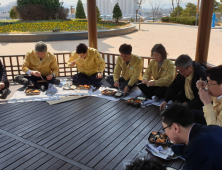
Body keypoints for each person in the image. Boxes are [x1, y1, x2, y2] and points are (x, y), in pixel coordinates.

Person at [161, 103, 222, 170]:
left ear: (175, 127)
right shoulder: (214, 128)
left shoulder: (196, 148)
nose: (165, 133)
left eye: (164, 129)